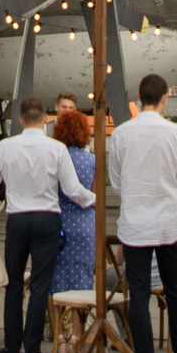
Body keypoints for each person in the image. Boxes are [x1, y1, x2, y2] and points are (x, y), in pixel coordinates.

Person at [0, 93, 97, 353]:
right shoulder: (56, 149)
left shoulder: (5, 147)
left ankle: (11, 345)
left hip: (17, 219)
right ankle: (32, 350)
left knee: (14, 283)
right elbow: (72, 189)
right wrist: (93, 200)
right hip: (47, 218)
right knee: (41, 285)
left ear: (19, 120)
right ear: (45, 120)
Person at [107, 72, 177, 353]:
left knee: (139, 295)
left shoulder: (120, 134)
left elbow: (117, 182)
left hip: (135, 222)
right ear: (164, 98)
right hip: (170, 222)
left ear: (139, 97)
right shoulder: (176, 134)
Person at [48, 108, 98, 294]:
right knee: (81, 282)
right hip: (84, 223)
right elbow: (95, 193)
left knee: (56, 279)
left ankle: (57, 322)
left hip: (59, 223)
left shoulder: (54, 158)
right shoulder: (92, 160)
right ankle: (79, 322)